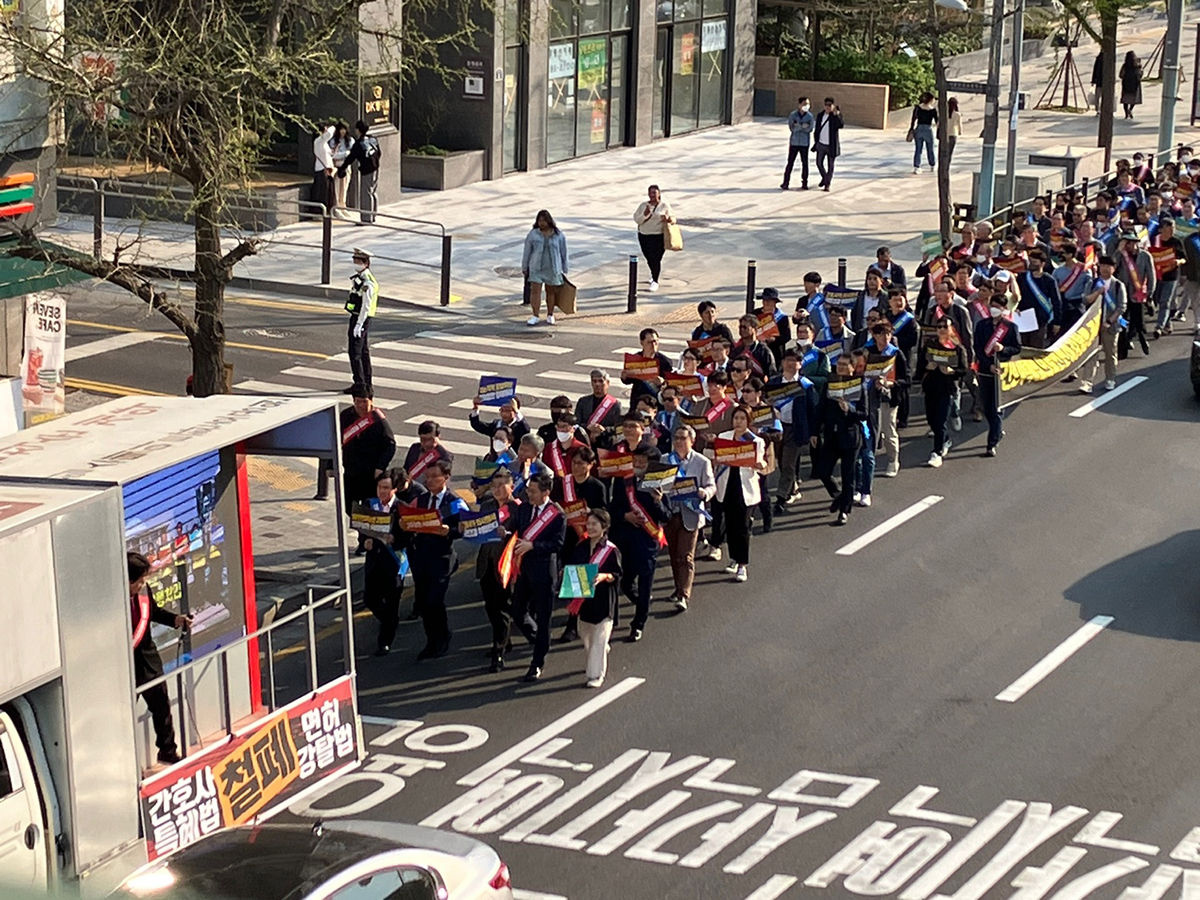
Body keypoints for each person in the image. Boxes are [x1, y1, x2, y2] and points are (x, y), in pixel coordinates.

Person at [128, 552, 192, 765]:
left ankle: (167, 751)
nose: (143, 584)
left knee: (162, 707)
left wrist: (176, 620)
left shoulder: (144, 592)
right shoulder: (111, 602)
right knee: (124, 716)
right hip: (125, 668)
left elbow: (152, 612)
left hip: (148, 660)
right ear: (127, 580)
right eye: (139, 580)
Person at [401, 460, 466, 661]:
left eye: (434, 476)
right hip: (421, 559)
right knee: (424, 603)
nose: (429, 481)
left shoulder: (453, 502)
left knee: (434, 601)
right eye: (427, 477)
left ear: (445, 477)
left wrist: (449, 532)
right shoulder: (420, 500)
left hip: (441, 559)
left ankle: (442, 637)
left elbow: (463, 529)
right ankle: (431, 641)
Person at [609, 444, 670, 641]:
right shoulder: (624, 481)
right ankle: (640, 603)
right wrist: (624, 515)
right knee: (626, 582)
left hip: (647, 543)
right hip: (625, 539)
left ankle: (638, 623)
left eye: (642, 463)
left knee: (645, 586)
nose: (637, 465)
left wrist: (658, 502)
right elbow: (612, 507)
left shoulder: (659, 485)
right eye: (635, 461)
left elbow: (667, 516)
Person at [511, 472, 567, 681]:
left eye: (533, 491)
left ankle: (537, 662)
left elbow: (558, 544)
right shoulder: (525, 508)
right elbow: (516, 527)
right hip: (524, 568)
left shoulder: (557, 514)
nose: (529, 494)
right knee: (518, 611)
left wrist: (533, 545)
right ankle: (538, 640)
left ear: (546, 492)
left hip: (544, 571)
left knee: (544, 617)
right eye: (528, 490)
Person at [566, 510, 622, 688]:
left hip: (604, 600)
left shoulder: (611, 550)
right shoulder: (581, 547)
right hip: (584, 601)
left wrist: (605, 576)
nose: (590, 527)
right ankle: (599, 655)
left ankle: (596, 675)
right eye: (588, 524)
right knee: (587, 637)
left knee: (599, 638)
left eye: (594, 524)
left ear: (604, 527)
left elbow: (618, 575)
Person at [662, 425, 715, 612]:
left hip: (690, 514)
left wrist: (704, 493)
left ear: (691, 441)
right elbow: (655, 483)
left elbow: (711, 486)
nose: (678, 441)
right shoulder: (665, 460)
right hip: (670, 514)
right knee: (674, 555)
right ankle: (678, 588)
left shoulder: (702, 462)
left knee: (685, 555)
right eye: (676, 438)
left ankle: (684, 595)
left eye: (683, 438)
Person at [474, 469, 521, 672]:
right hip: (487, 562)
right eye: (494, 486)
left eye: (502, 485)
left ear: (512, 486)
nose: (497, 489)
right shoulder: (487, 506)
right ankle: (504, 639)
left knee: (502, 607)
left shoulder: (518, 508)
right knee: (491, 607)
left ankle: (499, 651)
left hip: (506, 565)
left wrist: (508, 532)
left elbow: (524, 532)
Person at [711, 406, 766, 581]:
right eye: (736, 418)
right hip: (726, 485)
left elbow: (762, 463)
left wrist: (759, 465)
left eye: (743, 418)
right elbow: (717, 459)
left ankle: (742, 564)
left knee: (742, 527)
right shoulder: (724, 437)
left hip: (745, 488)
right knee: (730, 525)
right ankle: (733, 558)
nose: (739, 422)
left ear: (748, 421)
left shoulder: (755, 441)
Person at [360, 468, 408, 655]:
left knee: (392, 602)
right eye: (380, 487)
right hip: (374, 562)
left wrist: (395, 539)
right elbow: (361, 529)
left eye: (386, 488)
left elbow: (409, 536)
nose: (382, 491)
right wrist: (365, 542)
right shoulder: (369, 504)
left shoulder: (402, 508)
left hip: (394, 562)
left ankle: (385, 641)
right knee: (370, 599)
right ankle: (388, 621)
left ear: (394, 489)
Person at [814, 356, 867, 526]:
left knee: (848, 475)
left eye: (845, 365)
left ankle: (844, 511)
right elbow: (820, 409)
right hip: (831, 436)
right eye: (839, 365)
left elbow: (864, 414)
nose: (841, 368)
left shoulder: (858, 387)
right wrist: (814, 432)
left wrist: (849, 410)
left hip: (850, 437)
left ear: (852, 368)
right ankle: (838, 495)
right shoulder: (830, 385)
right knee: (823, 470)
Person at [972, 296, 1022, 457]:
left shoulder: (1010, 327)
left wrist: (1003, 349)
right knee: (987, 407)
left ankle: (991, 442)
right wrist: (988, 365)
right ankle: (998, 430)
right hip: (985, 370)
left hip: (1001, 372)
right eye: (991, 306)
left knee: (996, 408)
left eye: (997, 307)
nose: (993, 309)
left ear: (1003, 309)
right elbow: (978, 348)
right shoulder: (982, 325)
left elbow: (1016, 348)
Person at [769, 348, 816, 512]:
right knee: (781, 461)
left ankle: (780, 498)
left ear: (800, 364)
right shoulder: (774, 383)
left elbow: (812, 410)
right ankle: (793, 487)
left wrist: (813, 432)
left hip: (795, 429)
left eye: (794, 360)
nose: (790, 363)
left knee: (788, 463)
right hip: (776, 428)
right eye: (787, 360)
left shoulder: (806, 385)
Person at [919, 319, 969, 468]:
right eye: (939, 327)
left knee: (940, 421)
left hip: (947, 389)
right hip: (930, 387)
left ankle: (937, 452)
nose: (941, 329)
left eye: (944, 327)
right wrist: (927, 367)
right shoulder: (930, 345)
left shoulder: (958, 349)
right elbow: (920, 365)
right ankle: (946, 439)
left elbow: (964, 370)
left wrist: (952, 371)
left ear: (951, 329)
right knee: (932, 419)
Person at [340, 385, 396, 514]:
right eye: (357, 401)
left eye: (364, 401)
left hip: (370, 475)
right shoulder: (346, 416)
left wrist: (380, 467)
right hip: (351, 471)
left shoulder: (377, 420)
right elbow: (336, 440)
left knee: (370, 509)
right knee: (349, 508)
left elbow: (390, 445)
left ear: (371, 401)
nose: (361, 405)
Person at [1079, 256, 1129, 393]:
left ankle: (1110, 379)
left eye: (1108, 266)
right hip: (1093, 325)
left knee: (1110, 353)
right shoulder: (1093, 283)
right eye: (1102, 266)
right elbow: (1085, 300)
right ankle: (1087, 382)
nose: (1105, 269)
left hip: (1110, 326)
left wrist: (1108, 322)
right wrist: (1097, 293)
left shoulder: (1118, 285)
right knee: (1091, 354)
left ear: (1113, 268)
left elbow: (1121, 307)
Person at [522, 209, 569, 327]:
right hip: (536, 266)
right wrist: (525, 266)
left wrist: (564, 267)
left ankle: (550, 314)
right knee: (535, 291)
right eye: (540, 220)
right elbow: (527, 251)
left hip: (552, 267)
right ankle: (535, 315)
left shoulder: (558, 235)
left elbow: (563, 252)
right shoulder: (533, 234)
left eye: (544, 220)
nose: (542, 223)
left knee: (551, 292)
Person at [1114, 230, 1155, 356]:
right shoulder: (1121, 255)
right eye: (1127, 243)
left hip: (1138, 293)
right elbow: (1112, 267)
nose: (1129, 246)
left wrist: (1150, 292)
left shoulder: (1145, 255)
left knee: (1138, 321)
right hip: (1123, 293)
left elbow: (1151, 274)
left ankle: (1141, 339)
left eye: (1131, 243)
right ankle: (1123, 347)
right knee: (1122, 320)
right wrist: (1119, 251)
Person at [345, 248, 378, 392]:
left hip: (361, 318)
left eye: (358, 261)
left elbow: (366, 305)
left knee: (355, 353)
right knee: (363, 352)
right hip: (358, 317)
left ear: (366, 263)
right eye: (355, 261)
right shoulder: (359, 278)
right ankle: (365, 383)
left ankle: (360, 385)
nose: (356, 264)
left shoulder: (367, 282)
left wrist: (359, 324)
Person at [337, 120, 381, 224]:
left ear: (358, 130)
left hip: (367, 169)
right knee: (373, 192)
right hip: (376, 167)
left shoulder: (359, 144)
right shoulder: (373, 139)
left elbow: (350, 158)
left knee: (366, 193)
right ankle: (373, 215)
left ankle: (366, 219)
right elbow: (379, 152)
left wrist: (342, 168)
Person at [1017, 249, 1062, 348]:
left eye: (1034, 262)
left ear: (1042, 264)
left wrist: (1057, 322)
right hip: (1023, 318)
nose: (1031, 264)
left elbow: (1056, 301)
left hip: (1040, 320)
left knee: (1036, 347)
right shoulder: (1022, 277)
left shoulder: (1049, 280)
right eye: (1031, 261)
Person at [633, 184, 675, 292]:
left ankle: (655, 280)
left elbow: (673, 219)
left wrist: (668, 219)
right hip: (644, 235)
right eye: (650, 193)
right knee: (649, 258)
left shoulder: (664, 206)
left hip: (659, 236)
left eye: (654, 193)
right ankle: (653, 274)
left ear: (659, 194)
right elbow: (637, 220)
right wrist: (645, 215)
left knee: (656, 259)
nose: (652, 195)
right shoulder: (643, 205)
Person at [1151, 216, 1186, 336]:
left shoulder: (1176, 242)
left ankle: (1159, 327)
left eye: (1173, 228)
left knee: (1165, 301)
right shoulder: (1154, 240)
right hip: (1157, 275)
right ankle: (1167, 323)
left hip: (1171, 275)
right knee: (1158, 300)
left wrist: (1178, 262)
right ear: (1161, 229)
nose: (1171, 231)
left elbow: (1184, 258)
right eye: (1169, 228)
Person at [622, 327, 673, 406]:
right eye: (649, 342)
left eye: (655, 341)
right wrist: (624, 377)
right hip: (638, 400)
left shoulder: (665, 362)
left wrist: (662, 382)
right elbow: (628, 380)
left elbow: (671, 385)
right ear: (642, 343)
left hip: (656, 401)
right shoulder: (635, 359)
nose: (653, 345)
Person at [576, 369, 624, 448]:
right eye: (594, 381)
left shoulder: (614, 404)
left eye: (601, 381)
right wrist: (588, 427)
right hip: (585, 442)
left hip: (605, 443)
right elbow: (576, 423)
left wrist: (603, 429)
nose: (597, 384)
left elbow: (618, 428)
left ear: (607, 383)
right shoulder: (583, 402)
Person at [782, 96, 815, 190]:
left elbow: (810, 128)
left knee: (805, 163)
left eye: (807, 104)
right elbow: (792, 128)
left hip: (804, 143)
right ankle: (785, 182)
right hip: (794, 142)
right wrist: (802, 126)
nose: (806, 106)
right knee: (790, 163)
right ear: (799, 104)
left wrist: (799, 126)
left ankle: (804, 182)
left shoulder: (809, 116)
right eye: (804, 104)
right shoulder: (793, 115)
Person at [754, 288, 792, 367]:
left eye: (769, 300)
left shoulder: (782, 317)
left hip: (775, 352)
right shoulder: (755, 314)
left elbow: (787, 336)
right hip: (757, 350)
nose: (766, 302)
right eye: (764, 300)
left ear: (775, 302)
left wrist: (774, 339)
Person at [813, 97, 844, 192]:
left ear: (833, 106)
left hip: (831, 145)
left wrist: (837, 115)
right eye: (826, 105)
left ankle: (827, 184)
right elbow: (817, 129)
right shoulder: (820, 115)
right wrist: (816, 141)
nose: (827, 107)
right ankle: (825, 178)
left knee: (830, 165)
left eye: (829, 105)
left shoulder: (835, 116)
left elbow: (841, 125)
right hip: (821, 144)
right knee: (819, 163)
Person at [329, 121, 354, 220]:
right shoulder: (333, 141)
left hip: (346, 168)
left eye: (344, 129)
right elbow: (334, 155)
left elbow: (351, 154)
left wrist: (346, 154)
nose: (342, 132)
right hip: (337, 167)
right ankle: (337, 208)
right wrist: (345, 154)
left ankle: (343, 206)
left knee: (345, 188)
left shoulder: (350, 140)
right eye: (341, 129)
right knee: (337, 188)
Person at [311, 122, 335, 216]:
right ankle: (319, 213)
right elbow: (330, 133)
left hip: (328, 169)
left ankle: (327, 211)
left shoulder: (323, 143)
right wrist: (333, 126)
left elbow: (329, 153)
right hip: (321, 170)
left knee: (328, 193)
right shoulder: (318, 141)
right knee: (321, 194)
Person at [910, 91, 937, 175]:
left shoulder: (918, 108)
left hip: (919, 128)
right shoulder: (933, 110)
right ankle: (932, 165)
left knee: (918, 149)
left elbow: (913, 119)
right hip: (928, 129)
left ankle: (917, 167)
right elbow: (937, 121)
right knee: (930, 148)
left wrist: (911, 129)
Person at [1119, 50, 1143, 119]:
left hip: (1126, 85)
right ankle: (1130, 109)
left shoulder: (1125, 66)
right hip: (1135, 85)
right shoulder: (1137, 66)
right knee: (1134, 99)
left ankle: (1126, 113)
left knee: (1125, 100)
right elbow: (1140, 74)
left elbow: (1121, 75)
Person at [946, 97, 962, 167]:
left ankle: (943, 164)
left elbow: (939, 124)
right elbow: (959, 125)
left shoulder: (944, 113)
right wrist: (960, 132)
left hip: (945, 134)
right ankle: (947, 165)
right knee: (950, 152)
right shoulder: (957, 114)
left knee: (944, 151)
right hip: (953, 134)